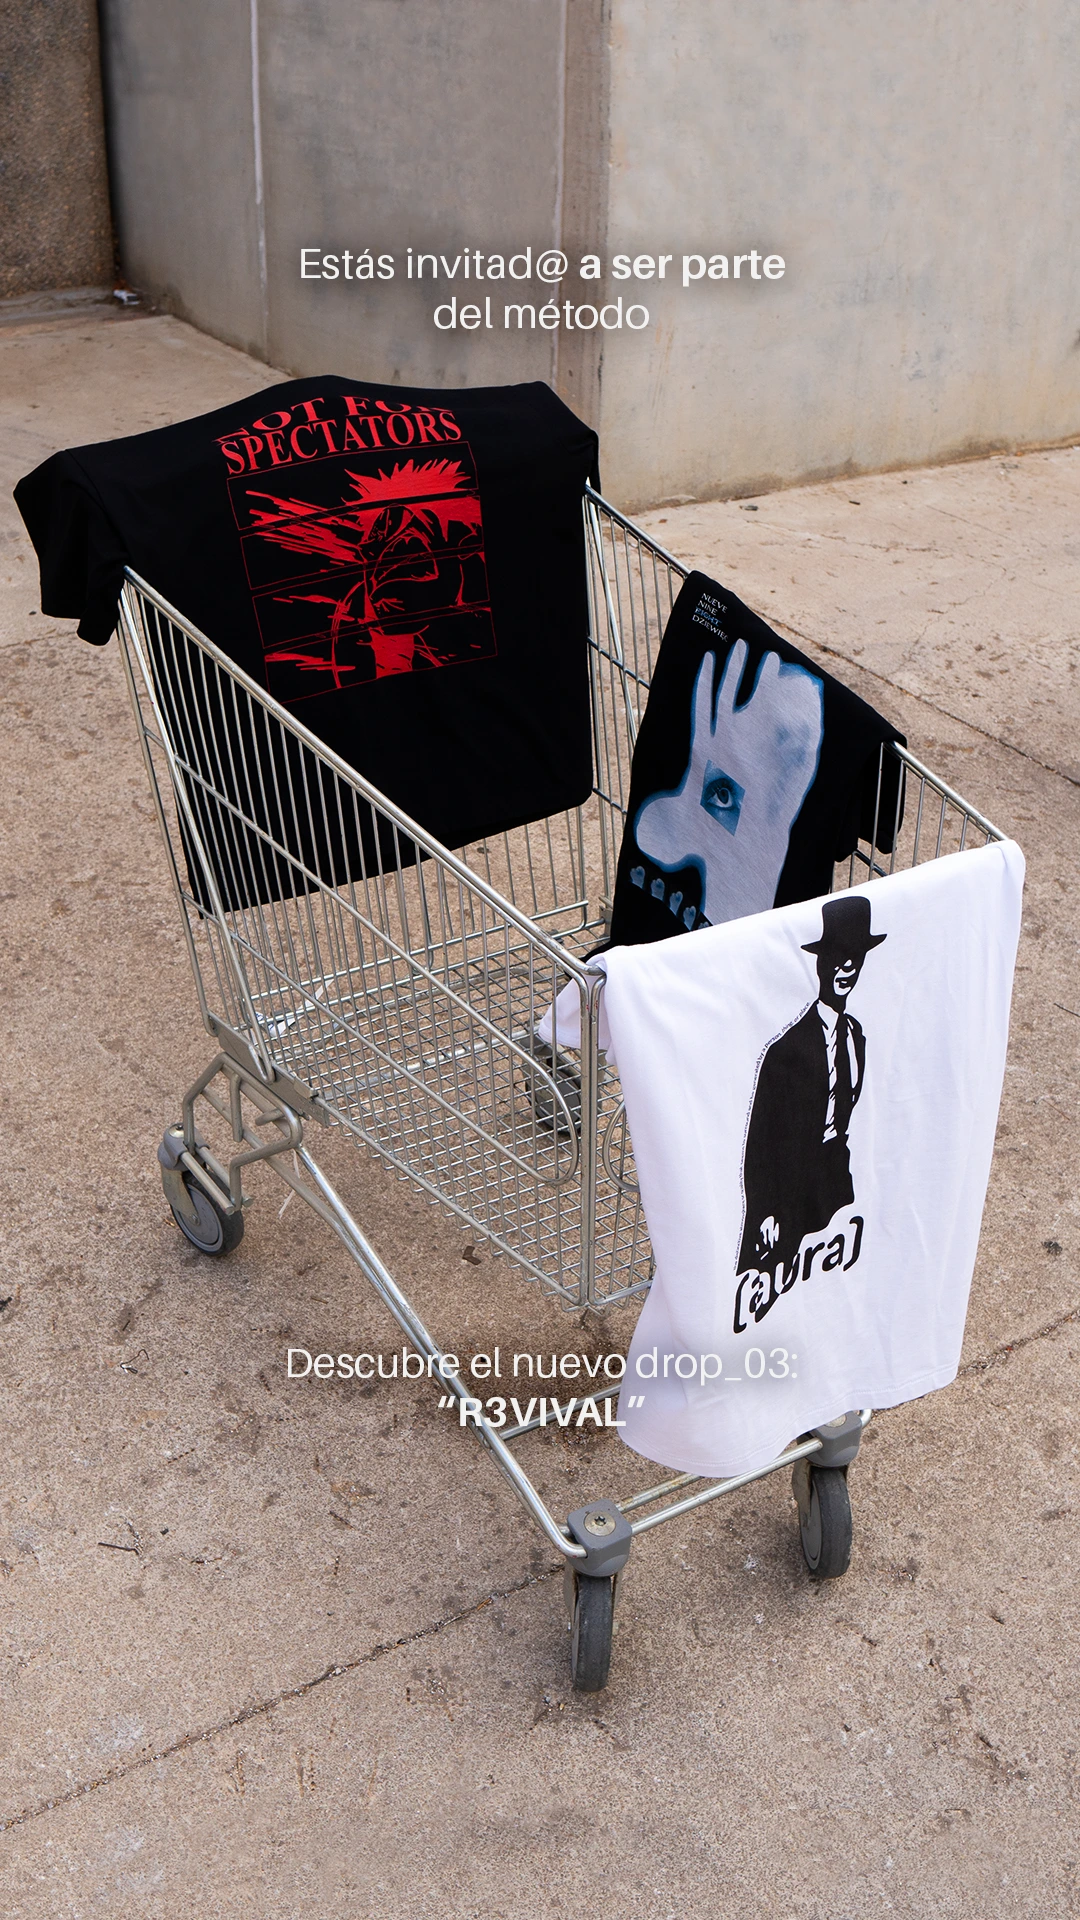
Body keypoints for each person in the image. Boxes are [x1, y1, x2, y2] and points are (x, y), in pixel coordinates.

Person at [733, 893, 886, 1330]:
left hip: (836, 1183)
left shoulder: (856, 1036)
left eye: (856, 955)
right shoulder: (785, 1051)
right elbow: (759, 1144)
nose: (847, 966)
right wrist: (765, 1211)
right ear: (820, 963)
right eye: (838, 954)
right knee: (772, 1308)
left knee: (832, 1294)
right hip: (787, 1193)